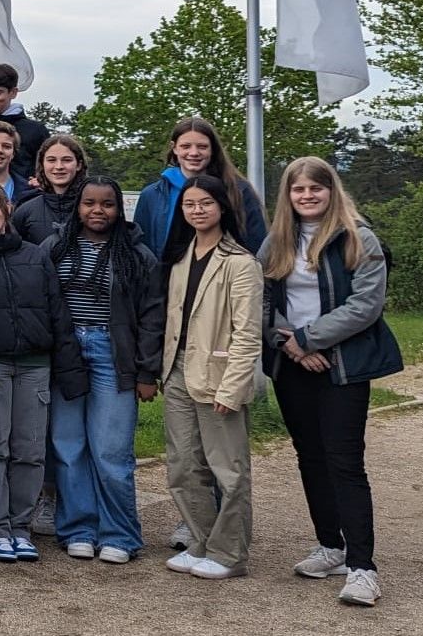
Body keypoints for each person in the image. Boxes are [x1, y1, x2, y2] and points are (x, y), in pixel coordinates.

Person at [260, 157, 402, 607]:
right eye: (298, 190)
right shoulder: (277, 241)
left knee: (344, 461)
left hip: (343, 365)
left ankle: (363, 568)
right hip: (292, 364)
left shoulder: (358, 237)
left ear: (331, 191)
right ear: (288, 196)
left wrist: (308, 339)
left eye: (315, 190)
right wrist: (289, 345)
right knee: (310, 457)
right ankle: (331, 547)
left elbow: (366, 305)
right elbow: (260, 298)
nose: (307, 197)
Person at [0, 181, 88, 562]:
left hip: (35, 364)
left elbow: (57, 312)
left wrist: (70, 368)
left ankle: (20, 525)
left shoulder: (35, 256)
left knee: (30, 451)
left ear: (7, 207)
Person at [41, 176, 164, 562]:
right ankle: (78, 527)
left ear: (118, 209)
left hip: (114, 355)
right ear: (77, 206)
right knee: (68, 446)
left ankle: (120, 533)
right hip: (66, 355)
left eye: (107, 204)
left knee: (111, 451)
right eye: (89, 203)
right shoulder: (56, 248)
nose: (98, 211)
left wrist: (147, 372)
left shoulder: (137, 255)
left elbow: (152, 317)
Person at [160, 174, 263, 581]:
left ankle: (230, 552)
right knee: (183, 465)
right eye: (190, 204)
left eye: (205, 203)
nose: (197, 210)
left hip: (219, 374)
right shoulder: (181, 256)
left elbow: (247, 332)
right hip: (179, 369)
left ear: (222, 207)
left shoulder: (240, 262)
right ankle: (202, 541)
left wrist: (233, 386)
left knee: (228, 468)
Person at [133, 117, 270, 260]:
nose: (194, 153)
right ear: (174, 148)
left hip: (225, 278)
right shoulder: (152, 195)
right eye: (186, 146)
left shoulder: (238, 190)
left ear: (212, 149)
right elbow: (142, 250)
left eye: (202, 146)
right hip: (168, 279)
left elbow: (256, 244)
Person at [12, 134, 87, 245]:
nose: (59, 166)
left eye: (67, 160)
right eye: (51, 160)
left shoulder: (93, 208)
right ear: (42, 164)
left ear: (79, 165)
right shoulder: (25, 210)